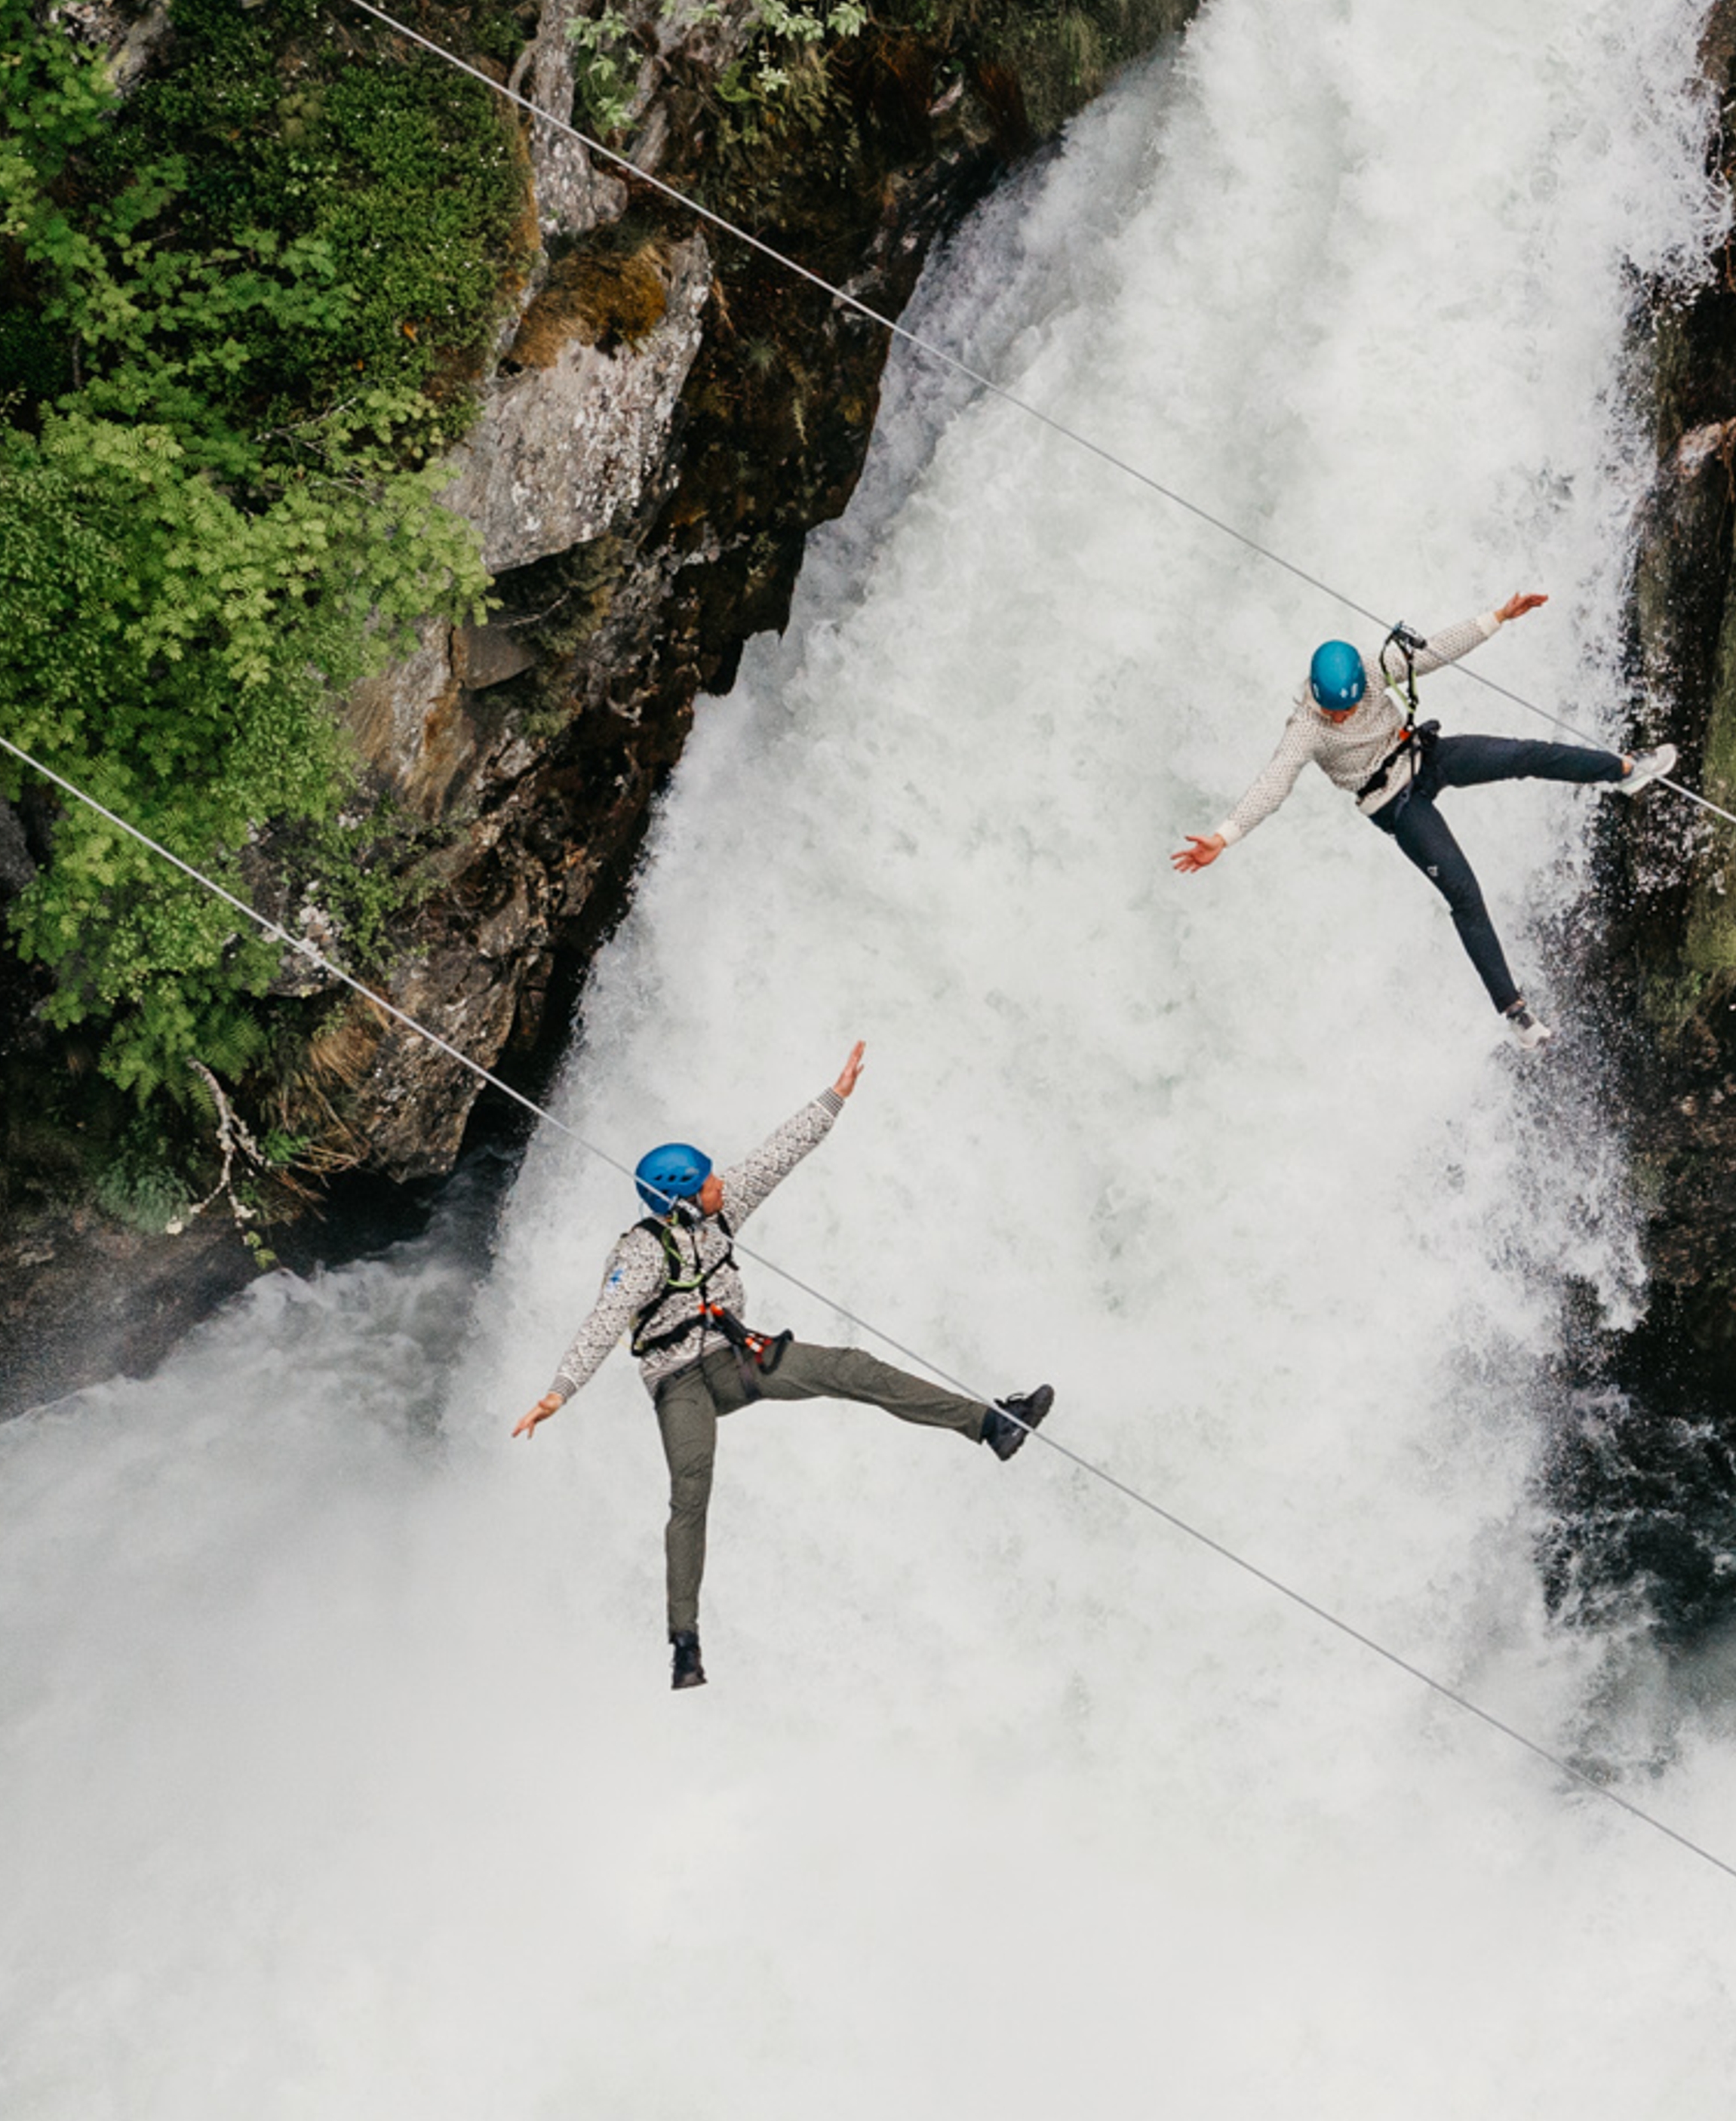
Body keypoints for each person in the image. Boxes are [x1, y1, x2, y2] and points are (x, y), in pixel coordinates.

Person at [512, 1043, 1053, 1690]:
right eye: (709, 1181)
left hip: (738, 1358)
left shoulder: (721, 1207)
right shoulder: (641, 1253)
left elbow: (777, 1155)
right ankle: (684, 1643)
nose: (722, 1184)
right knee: (692, 1492)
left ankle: (991, 1425)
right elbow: (603, 1321)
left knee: (853, 1369)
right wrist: (558, 1393)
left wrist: (836, 1097)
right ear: (682, 1198)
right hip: (679, 1382)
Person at [1170, 594, 1676, 1046]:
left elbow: (1433, 652)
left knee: (1525, 754)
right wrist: (1224, 836)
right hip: (1394, 804)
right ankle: (1515, 1012)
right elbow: (1274, 780)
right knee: (1464, 892)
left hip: (1423, 757)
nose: (1342, 718)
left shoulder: (1371, 669)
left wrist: (1497, 617)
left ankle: (1626, 770)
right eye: (1335, 713)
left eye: (1346, 710)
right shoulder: (1307, 727)